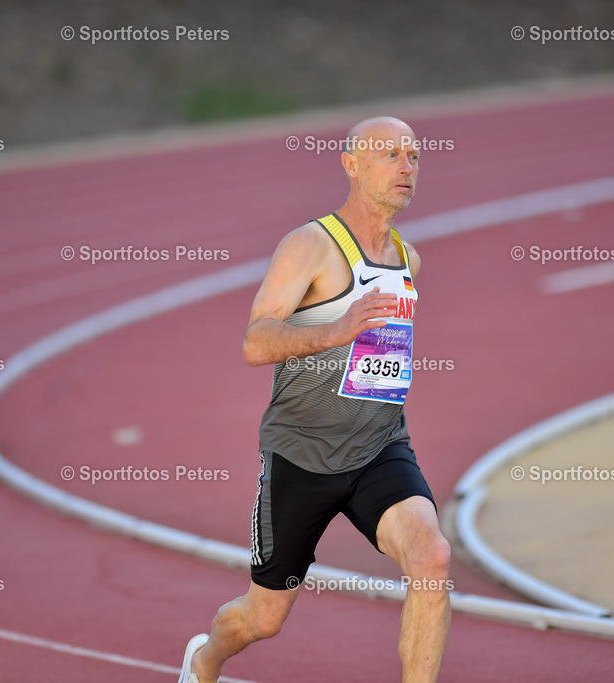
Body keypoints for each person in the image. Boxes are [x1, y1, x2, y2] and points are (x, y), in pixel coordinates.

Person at [178, 117, 451, 683]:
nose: (406, 167)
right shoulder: (311, 245)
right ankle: (204, 661)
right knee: (262, 619)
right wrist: (335, 330)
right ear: (351, 164)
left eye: (414, 156)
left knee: (432, 559)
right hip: (302, 456)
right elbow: (256, 341)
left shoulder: (408, 260)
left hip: (380, 448)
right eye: (390, 154)